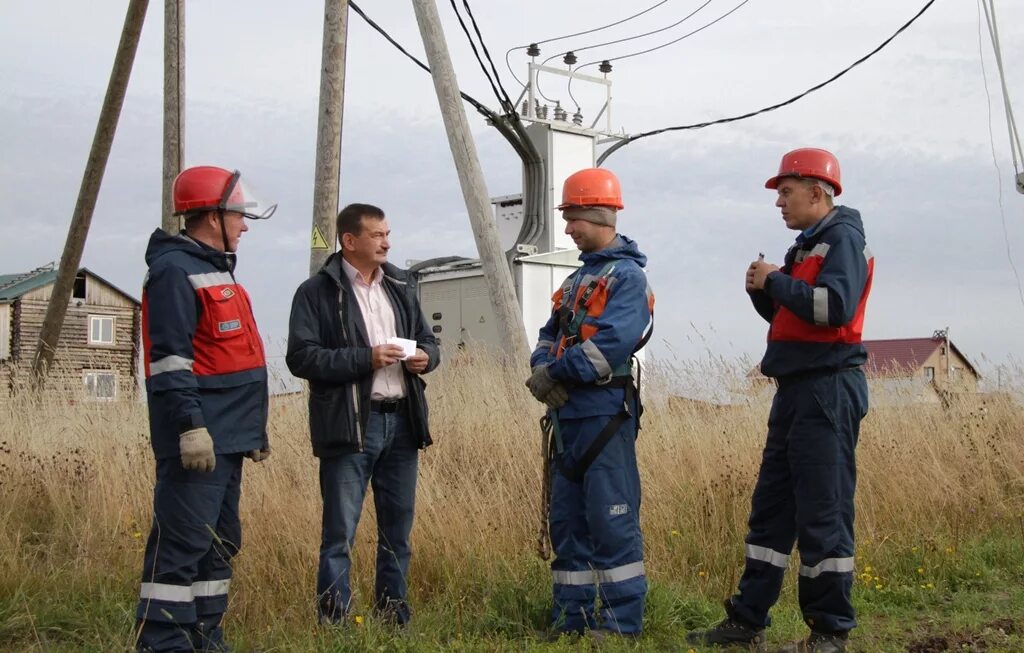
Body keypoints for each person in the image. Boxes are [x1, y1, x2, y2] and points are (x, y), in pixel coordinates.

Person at [686, 148, 873, 653]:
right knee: (771, 512)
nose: (779, 202)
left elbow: (832, 308)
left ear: (818, 192)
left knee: (823, 513)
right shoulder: (806, 245)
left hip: (828, 389)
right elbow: (793, 320)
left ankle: (831, 632)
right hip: (797, 391)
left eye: (786, 191)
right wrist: (764, 291)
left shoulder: (842, 238)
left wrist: (774, 279)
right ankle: (747, 622)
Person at [136, 166, 275, 652]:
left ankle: (204, 639)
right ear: (212, 215)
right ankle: (163, 643)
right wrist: (191, 428)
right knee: (181, 548)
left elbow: (232, 359)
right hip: (200, 442)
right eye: (239, 214)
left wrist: (251, 432)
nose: (245, 225)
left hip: (228, 440)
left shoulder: (214, 267)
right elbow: (171, 363)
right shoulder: (175, 271)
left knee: (218, 547)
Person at [286, 203, 439, 627]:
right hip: (351, 424)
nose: (387, 242)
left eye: (388, 234)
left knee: (398, 533)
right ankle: (335, 623)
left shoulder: (402, 286)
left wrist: (427, 357)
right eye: (377, 235)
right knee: (339, 534)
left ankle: (394, 620)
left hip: (403, 423)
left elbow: (428, 340)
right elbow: (302, 358)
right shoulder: (316, 292)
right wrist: (365, 358)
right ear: (349, 241)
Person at [526, 167, 654, 639]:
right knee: (568, 524)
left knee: (612, 522)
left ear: (598, 214)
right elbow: (548, 334)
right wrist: (543, 369)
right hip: (567, 419)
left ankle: (620, 627)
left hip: (604, 417)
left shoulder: (628, 279)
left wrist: (553, 374)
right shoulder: (576, 281)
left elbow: (612, 343)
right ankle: (570, 621)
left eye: (573, 217)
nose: (567, 228)